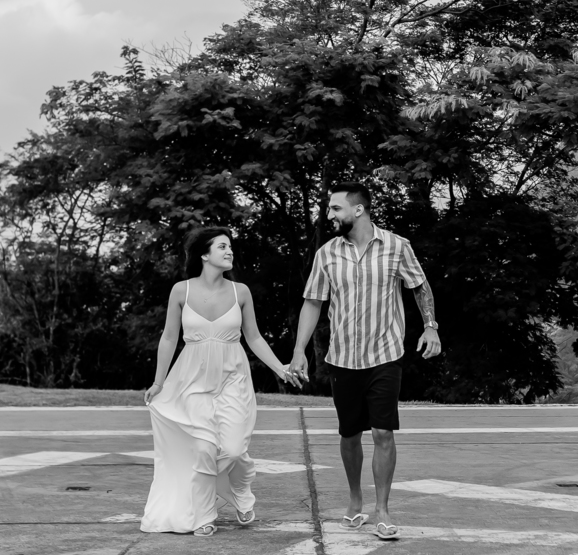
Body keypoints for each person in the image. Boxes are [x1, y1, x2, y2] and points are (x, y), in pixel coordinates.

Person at [289, 182, 442, 541]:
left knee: (383, 432)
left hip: (385, 355)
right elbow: (313, 302)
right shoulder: (327, 254)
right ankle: (355, 498)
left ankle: (383, 510)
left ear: (358, 210)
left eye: (335, 209)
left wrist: (431, 327)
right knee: (349, 434)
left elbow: (420, 286)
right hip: (342, 358)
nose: (329, 215)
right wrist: (298, 351)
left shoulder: (396, 246)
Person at [140, 227, 301, 537]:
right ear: (204, 254)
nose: (230, 252)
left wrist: (280, 369)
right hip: (191, 381)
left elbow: (253, 337)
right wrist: (159, 382)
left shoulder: (240, 292)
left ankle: (240, 488)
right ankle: (203, 515)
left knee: (233, 447)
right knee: (203, 448)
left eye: (230, 247)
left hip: (234, 378)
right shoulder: (180, 291)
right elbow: (169, 337)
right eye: (222, 246)